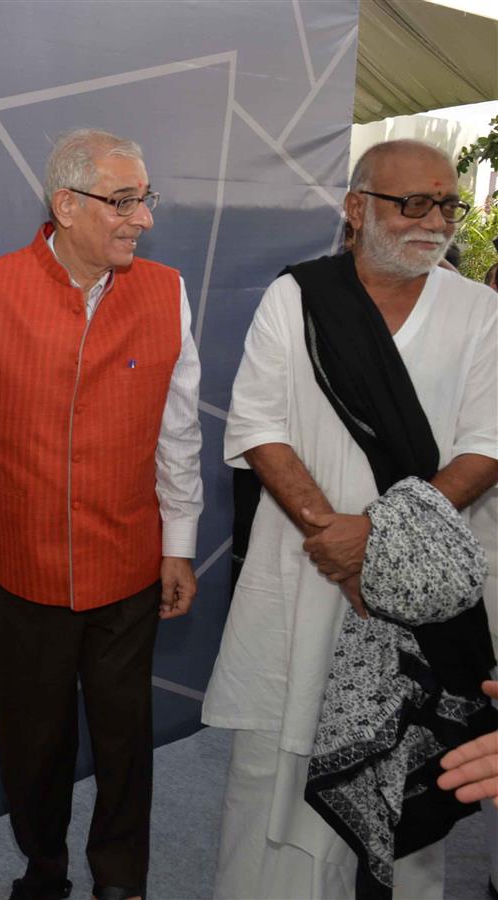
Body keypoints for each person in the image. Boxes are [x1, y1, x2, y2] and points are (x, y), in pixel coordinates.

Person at [203, 138, 498, 898]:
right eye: (413, 203)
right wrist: (328, 532)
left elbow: (488, 444)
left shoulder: (480, 310)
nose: (434, 221)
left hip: (422, 591)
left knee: (411, 772)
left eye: (447, 204)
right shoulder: (298, 297)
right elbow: (257, 425)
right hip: (306, 573)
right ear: (357, 207)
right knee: (279, 759)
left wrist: (378, 540)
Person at [0, 128, 203, 900]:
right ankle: (43, 870)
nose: (142, 218)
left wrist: (177, 544)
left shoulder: (167, 291)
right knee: (34, 742)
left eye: (145, 198)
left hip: (129, 564)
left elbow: (178, 430)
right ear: (65, 205)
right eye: (124, 200)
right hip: (21, 565)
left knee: (124, 739)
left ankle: (122, 880)